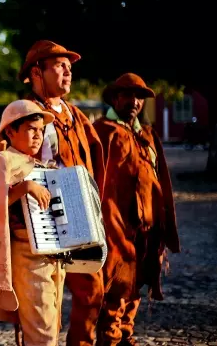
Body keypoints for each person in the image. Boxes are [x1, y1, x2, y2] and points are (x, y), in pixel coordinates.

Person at [22, 40, 106, 346]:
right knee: (45, 304)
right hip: (42, 221)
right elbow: (11, 165)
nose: (68, 73)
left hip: (80, 217)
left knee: (92, 290)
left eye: (70, 68)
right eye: (59, 66)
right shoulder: (23, 113)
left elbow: (95, 162)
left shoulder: (75, 115)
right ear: (36, 72)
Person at [94, 73, 180, 346]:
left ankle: (126, 336)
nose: (134, 102)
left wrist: (162, 221)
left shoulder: (146, 134)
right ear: (115, 98)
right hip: (117, 225)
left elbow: (158, 178)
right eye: (128, 95)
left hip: (149, 226)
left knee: (138, 285)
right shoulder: (103, 131)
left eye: (139, 97)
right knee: (115, 287)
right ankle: (109, 339)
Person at [0, 99, 67, 346]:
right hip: (26, 257)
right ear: (10, 131)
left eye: (40, 131)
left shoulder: (39, 164)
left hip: (52, 256)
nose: (38, 136)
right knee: (42, 332)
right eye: (31, 129)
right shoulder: (2, 161)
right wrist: (24, 187)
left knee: (51, 324)